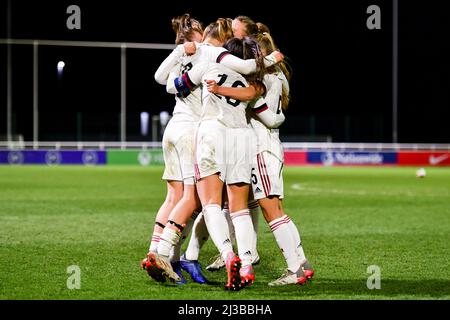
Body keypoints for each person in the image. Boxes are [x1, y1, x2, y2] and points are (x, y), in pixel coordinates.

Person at [145, 18, 283, 286]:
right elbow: (247, 71)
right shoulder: (222, 57)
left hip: (183, 128)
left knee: (183, 198)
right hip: (215, 135)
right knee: (213, 203)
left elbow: (168, 83)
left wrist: (181, 62)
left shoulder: (198, 59)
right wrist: (271, 58)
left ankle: (164, 254)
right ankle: (174, 255)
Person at [208, 30, 315, 286]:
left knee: (272, 211)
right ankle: (300, 264)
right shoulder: (276, 76)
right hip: (266, 146)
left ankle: (294, 268)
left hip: (262, 146)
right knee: (272, 208)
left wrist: (251, 103)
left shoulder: (262, 80)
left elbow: (270, 117)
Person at [141, 13, 207, 284]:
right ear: (196, 35)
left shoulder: (180, 60)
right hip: (190, 132)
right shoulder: (205, 55)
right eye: (201, 32)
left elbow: (161, 78)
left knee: (173, 197)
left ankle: (154, 251)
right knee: (192, 199)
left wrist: (179, 52)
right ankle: (166, 255)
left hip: (172, 129)